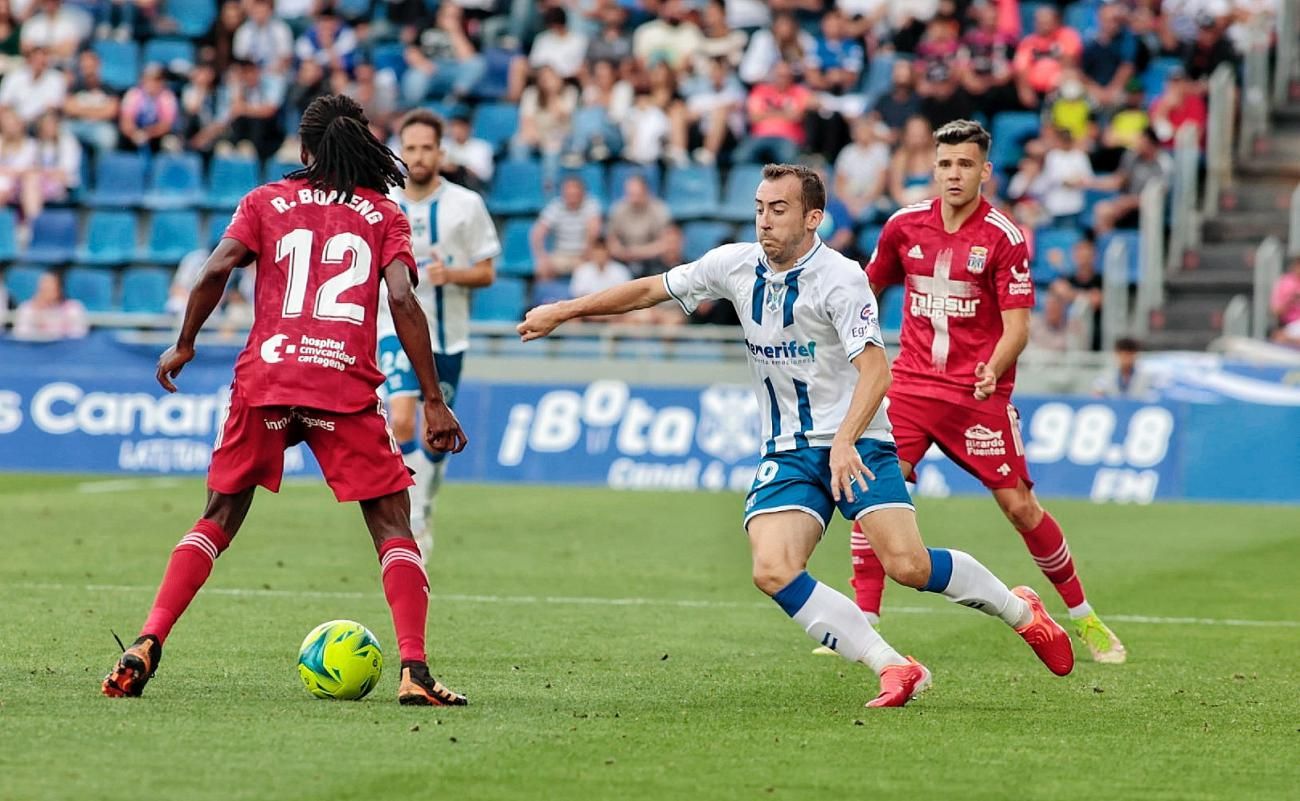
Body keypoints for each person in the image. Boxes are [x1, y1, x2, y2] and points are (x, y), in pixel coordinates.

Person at [519, 163, 1074, 708]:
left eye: (778, 210)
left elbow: (877, 372)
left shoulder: (841, 278)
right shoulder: (734, 264)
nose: (764, 220)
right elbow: (650, 290)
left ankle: (1020, 609)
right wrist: (564, 310)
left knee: (909, 567)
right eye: (759, 208)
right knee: (772, 568)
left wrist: (844, 441)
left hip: (858, 442)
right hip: (787, 450)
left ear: (814, 219)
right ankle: (894, 666)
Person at [102, 95, 470, 708]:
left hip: (266, 378)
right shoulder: (384, 214)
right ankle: (415, 671)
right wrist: (433, 398)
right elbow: (404, 301)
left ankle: (147, 640)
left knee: (216, 520)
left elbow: (216, 268)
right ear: (362, 148)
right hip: (341, 384)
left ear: (304, 152)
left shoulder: (265, 201)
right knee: (392, 527)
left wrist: (185, 343)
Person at [845, 119, 1127, 664]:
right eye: (946, 164)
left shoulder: (1003, 236)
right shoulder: (904, 226)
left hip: (977, 394)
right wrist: (857, 344)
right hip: (910, 387)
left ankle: (1083, 617)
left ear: (984, 171)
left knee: (1020, 506)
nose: (954, 174)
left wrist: (992, 368)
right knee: (877, 489)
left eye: (965, 164)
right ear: (934, 168)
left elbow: (1018, 327)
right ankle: (865, 621)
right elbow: (866, 287)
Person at [377, 109, 499, 561]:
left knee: (435, 436)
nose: (419, 156)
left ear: (441, 152)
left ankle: (423, 504)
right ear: (400, 151)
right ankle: (409, 518)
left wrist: (453, 275)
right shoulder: (384, 200)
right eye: (411, 148)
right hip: (392, 329)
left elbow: (487, 273)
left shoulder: (465, 205)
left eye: (427, 147)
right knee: (403, 419)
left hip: (448, 337)